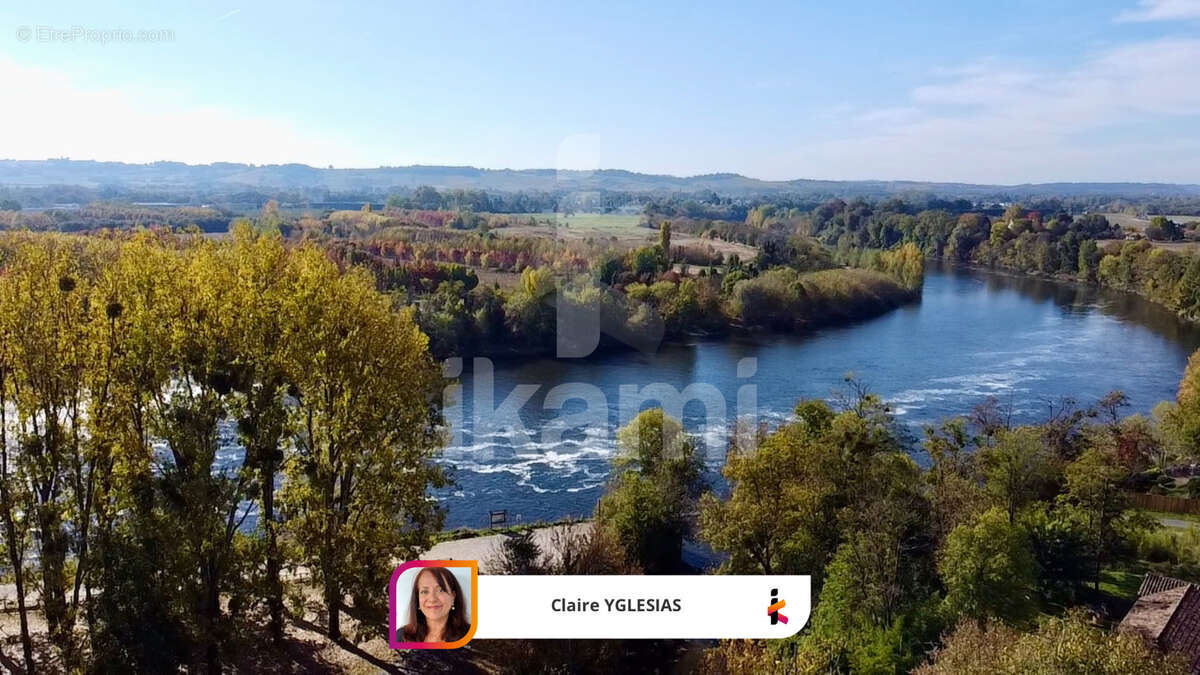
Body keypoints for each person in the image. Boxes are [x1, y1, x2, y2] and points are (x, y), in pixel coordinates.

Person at [399, 566, 471, 643]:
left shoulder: (471, 636)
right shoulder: (401, 636)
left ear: (453, 596)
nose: (432, 599)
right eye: (425, 592)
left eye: (441, 590)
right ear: (417, 598)